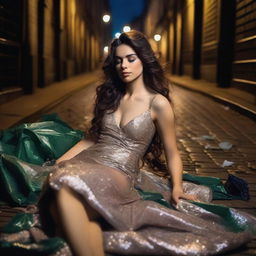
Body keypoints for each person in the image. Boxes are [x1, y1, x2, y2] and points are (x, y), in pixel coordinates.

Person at [0, 30, 255, 256]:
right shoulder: (111, 96)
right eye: (119, 60)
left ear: (144, 59)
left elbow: (173, 152)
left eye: (131, 58)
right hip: (90, 160)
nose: (124, 65)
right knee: (62, 205)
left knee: (65, 190)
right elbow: (93, 139)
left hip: (119, 173)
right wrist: (61, 160)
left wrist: (177, 187)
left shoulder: (158, 103)